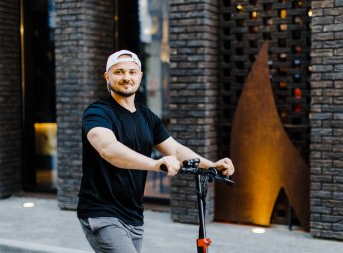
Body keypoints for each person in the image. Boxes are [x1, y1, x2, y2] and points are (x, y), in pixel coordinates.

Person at [77, 49, 235, 253]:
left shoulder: (146, 116)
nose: (126, 78)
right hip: (102, 212)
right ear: (107, 76)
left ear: (140, 76)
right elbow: (109, 149)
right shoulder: (98, 112)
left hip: (133, 215)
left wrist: (211, 165)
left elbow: (176, 149)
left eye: (132, 72)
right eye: (119, 72)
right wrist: (155, 163)